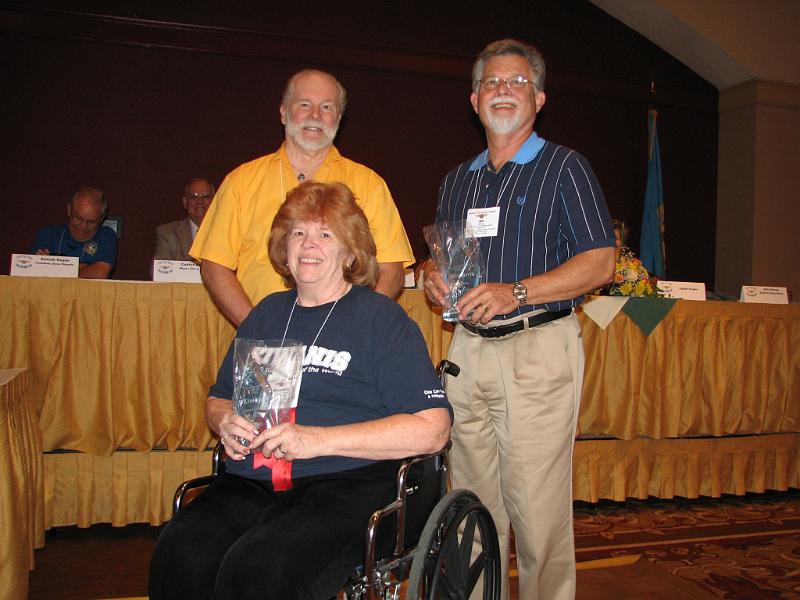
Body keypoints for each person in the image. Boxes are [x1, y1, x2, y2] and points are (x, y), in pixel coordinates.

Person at [150, 181, 451, 600]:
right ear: (283, 246)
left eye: (326, 235)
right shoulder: (266, 314)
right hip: (255, 479)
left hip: (347, 481)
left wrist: (316, 440)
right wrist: (224, 419)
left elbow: (433, 430)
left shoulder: (381, 319)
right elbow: (218, 398)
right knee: (181, 551)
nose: (309, 245)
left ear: (350, 253)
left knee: (260, 569)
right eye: (298, 233)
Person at [423, 39, 615, 600]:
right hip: (467, 352)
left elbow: (600, 262)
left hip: (537, 348)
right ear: (474, 98)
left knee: (536, 510)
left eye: (517, 82)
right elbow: (445, 257)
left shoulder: (566, 168)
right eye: (492, 83)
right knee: (472, 509)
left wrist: (519, 292)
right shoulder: (457, 180)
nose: (503, 91)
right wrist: (433, 277)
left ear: (540, 97)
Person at [190, 69, 414, 326]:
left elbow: (391, 271)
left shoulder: (370, 184)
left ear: (338, 118)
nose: (315, 115)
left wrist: (358, 330)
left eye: (327, 107)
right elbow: (214, 266)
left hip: (343, 348)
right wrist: (256, 329)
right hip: (262, 343)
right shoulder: (240, 182)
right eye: (305, 105)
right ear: (284, 112)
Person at [30, 186, 117, 279]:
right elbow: (34, 271)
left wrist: (54, 266)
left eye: (91, 222)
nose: (83, 226)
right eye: (78, 218)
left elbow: (99, 273)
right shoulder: (48, 235)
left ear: (101, 218)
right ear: (69, 209)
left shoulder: (106, 235)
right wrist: (83, 267)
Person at [153, 177, 215, 262]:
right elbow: (160, 270)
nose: (200, 201)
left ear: (215, 202)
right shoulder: (167, 233)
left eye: (205, 197)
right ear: (185, 202)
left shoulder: (229, 232)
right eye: (194, 197)